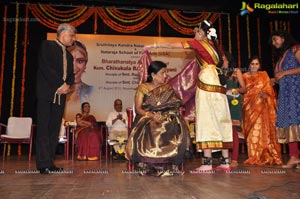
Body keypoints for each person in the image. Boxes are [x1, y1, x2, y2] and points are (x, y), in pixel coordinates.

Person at [144, 20, 232, 171]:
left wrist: (152, 46)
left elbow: (173, 46)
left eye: (197, 32)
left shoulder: (199, 44)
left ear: (202, 33)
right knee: (222, 119)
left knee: (207, 119)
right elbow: (225, 64)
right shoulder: (217, 47)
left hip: (207, 81)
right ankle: (225, 162)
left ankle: (207, 163)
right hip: (219, 82)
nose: (195, 34)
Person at [125, 61, 190, 176]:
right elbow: (139, 109)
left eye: (166, 73)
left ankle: (170, 164)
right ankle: (148, 164)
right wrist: (152, 115)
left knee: (172, 124)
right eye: (162, 73)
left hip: (167, 116)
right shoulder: (143, 88)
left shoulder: (168, 88)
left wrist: (166, 115)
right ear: (153, 75)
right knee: (152, 126)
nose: (165, 76)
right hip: (147, 116)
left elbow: (175, 105)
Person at [36, 23, 76, 174]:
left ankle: (50, 162)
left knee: (54, 129)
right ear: (63, 33)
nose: (73, 39)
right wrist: (60, 84)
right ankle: (42, 164)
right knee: (44, 128)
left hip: (60, 96)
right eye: (71, 35)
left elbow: (72, 75)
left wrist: (67, 85)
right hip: (47, 93)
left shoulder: (70, 56)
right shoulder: (47, 45)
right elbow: (45, 67)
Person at [242, 56, 282, 165]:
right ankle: (254, 155)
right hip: (250, 107)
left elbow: (270, 90)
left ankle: (266, 153)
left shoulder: (264, 75)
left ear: (260, 66)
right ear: (248, 65)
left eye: (256, 64)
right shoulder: (244, 76)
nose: (254, 66)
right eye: (252, 64)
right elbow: (243, 92)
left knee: (264, 131)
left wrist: (266, 95)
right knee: (252, 132)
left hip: (263, 107)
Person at [270, 30, 300, 168]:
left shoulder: (296, 49)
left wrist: (284, 73)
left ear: (283, 38)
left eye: (275, 39)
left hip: (296, 91)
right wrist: (273, 80)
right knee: (290, 123)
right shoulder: (281, 57)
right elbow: (281, 77)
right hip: (285, 95)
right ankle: (294, 156)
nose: (274, 43)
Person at [223, 51, 246, 167]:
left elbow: (244, 89)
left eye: (224, 59)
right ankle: (225, 158)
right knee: (223, 131)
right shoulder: (217, 72)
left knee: (233, 131)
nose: (222, 61)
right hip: (221, 103)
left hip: (233, 102)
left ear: (229, 59)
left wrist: (237, 90)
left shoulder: (236, 71)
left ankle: (235, 159)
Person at [64, 40, 93, 120]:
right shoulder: (56, 91)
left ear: (85, 64)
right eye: (70, 61)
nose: (74, 68)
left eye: (80, 61)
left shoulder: (91, 90)